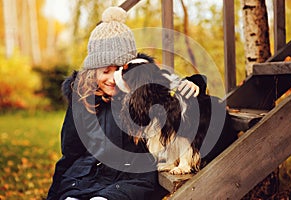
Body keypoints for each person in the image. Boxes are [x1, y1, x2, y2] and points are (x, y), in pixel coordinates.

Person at [47, 6, 199, 200]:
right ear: (93, 72)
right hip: (83, 178)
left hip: (129, 181)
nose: (113, 78)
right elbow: (70, 154)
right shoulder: (82, 100)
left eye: (120, 69)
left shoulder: (144, 94)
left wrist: (196, 81)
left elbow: (171, 86)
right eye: (106, 71)